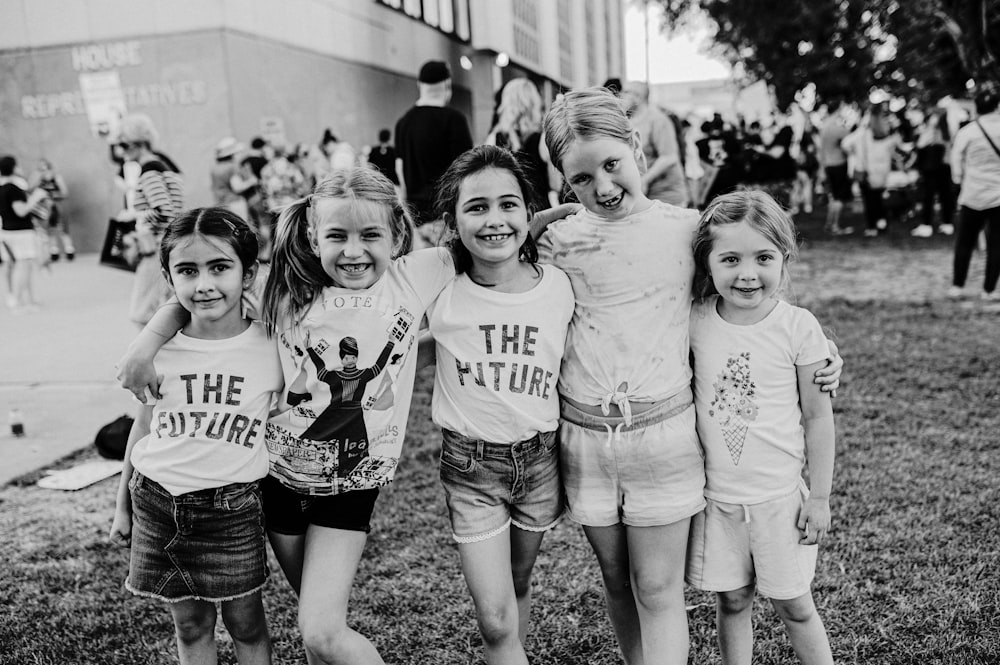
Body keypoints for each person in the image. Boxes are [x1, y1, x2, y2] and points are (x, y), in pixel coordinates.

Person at [533, 87, 841, 665]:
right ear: (563, 183)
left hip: (663, 437)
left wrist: (820, 355)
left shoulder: (686, 230)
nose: (601, 187)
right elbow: (500, 272)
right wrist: (535, 225)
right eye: (579, 179)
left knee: (656, 587)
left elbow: (746, 301)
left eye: (612, 164)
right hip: (585, 440)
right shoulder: (557, 242)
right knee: (618, 584)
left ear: (637, 148)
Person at [118, 167, 456, 665]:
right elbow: (198, 292)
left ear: (398, 234)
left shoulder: (418, 275)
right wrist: (146, 343)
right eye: (337, 235)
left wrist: (560, 225)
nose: (354, 250)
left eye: (370, 235)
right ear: (313, 235)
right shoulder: (283, 288)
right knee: (313, 623)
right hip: (278, 482)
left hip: (352, 483)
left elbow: (491, 241)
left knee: (320, 631)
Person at [109, 207, 280, 665]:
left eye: (220, 267)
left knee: (246, 624)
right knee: (190, 625)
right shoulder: (159, 350)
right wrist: (122, 506)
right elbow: (143, 429)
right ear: (168, 277)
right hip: (160, 503)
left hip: (233, 510)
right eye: (187, 271)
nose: (203, 284)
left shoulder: (273, 347)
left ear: (248, 274)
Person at [426, 145, 574, 664]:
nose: (495, 220)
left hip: (540, 463)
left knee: (518, 582)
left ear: (528, 214)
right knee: (494, 618)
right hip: (471, 468)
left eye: (509, 205)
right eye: (477, 207)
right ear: (452, 220)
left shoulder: (560, 285)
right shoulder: (439, 289)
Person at [686, 190, 836, 665]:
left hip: (778, 501)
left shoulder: (798, 327)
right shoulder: (694, 321)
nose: (747, 273)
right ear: (707, 263)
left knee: (795, 605)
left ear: (784, 258)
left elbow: (817, 417)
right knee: (731, 601)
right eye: (730, 258)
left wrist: (820, 497)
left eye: (763, 257)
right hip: (718, 499)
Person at [114, 113, 184, 326]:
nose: (121, 151)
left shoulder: (150, 171)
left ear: (140, 144)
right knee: (162, 306)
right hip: (166, 244)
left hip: (156, 245)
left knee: (142, 312)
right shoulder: (161, 167)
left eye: (124, 145)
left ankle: (154, 357)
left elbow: (164, 210)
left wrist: (132, 214)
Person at [394, 59, 474, 242]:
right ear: (447, 85)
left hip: (417, 218)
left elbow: (400, 169)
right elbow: (466, 170)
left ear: (419, 85)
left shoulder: (403, 122)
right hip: (448, 217)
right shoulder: (455, 120)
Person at [949, 83, 1000, 301]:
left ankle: (957, 286)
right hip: (998, 195)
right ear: (997, 106)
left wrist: (959, 180)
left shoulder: (967, 132)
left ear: (977, 108)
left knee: (964, 242)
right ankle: (989, 290)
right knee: (997, 245)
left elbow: (955, 160)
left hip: (972, 194)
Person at [486, 78, 553, 211]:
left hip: (508, 211)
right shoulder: (543, 140)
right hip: (541, 213)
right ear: (534, 103)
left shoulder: (493, 139)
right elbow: (555, 185)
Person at [621, 80, 689, 207]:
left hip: (666, 195)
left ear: (638, 97)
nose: (621, 96)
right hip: (646, 195)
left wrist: (644, 180)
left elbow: (669, 157)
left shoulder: (658, 120)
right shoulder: (629, 122)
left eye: (626, 92)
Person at [845, 104, 907, 237]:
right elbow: (897, 151)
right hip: (882, 172)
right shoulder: (888, 135)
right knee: (878, 199)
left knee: (870, 201)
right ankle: (881, 222)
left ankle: (872, 226)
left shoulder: (863, 134)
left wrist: (854, 153)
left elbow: (846, 144)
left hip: (867, 171)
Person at [0, 154, 49, 310]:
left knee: (21, 265)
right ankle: (17, 300)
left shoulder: (3, 188)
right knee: (22, 266)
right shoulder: (12, 189)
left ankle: (28, 300)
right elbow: (20, 211)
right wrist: (35, 198)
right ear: (13, 168)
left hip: (8, 231)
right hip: (20, 232)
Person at [911, 108, 956, 238]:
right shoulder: (948, 131)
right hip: (945, 167)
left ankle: (926, 225)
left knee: (928, 196)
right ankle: (947, 223)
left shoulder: (931, 131)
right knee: (945, 195)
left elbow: (920, 145)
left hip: (931, 169)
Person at [818, 100, 854, 235]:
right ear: (838, 109)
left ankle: (829, 224)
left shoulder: (824, 126)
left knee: (833, 197)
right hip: (838, 165)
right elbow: (851, 138)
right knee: (839, 197)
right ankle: (835, 226)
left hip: (828, 164)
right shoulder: (836, 127)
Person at [28, 158, 74, 262]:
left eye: (46, 167)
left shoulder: (56, 177)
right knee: (49, 229)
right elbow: (29, 189)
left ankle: (69, 250)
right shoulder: (37, 178)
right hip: (43, 207)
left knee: (63, 227)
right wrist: (38, 179)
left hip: (56, 205)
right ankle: (54, 251)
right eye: (41, 168)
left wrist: (51, 195)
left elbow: (65, 192)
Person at [211, 137, 255, 222]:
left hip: (220, 203)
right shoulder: (232, 167)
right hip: (235, 203)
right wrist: (251, 181)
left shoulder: (214, 168)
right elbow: (237, 187)